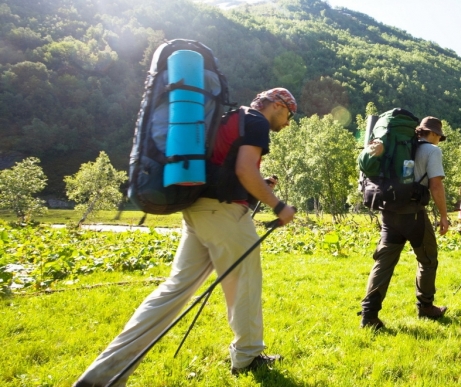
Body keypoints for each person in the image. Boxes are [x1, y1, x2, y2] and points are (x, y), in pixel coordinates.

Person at [73, 88, 298, 386]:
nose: (287, 123)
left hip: (196, 210)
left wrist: (257, 184)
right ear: (278, 106)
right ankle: (247, 356)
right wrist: (279, 206)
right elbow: (245, 169)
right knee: (245, 285)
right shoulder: (256, 121)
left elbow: (224, 167)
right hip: (223, 215)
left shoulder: (228, 115)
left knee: (173, 291)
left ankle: (101, 376)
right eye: (289, 115)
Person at [360, 116, 450, 329]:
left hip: (389, 212)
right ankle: (426, 307)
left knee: (383, 263)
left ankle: (369, 316)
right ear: (434, 134)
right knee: (428, 260)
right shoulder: (432, 151)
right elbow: (436, 185)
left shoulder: (400, 146)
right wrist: (444, 215)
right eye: (439, 136)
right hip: (414, 215)